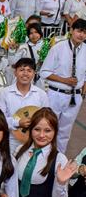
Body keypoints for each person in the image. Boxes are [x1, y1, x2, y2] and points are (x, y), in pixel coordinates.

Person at [40, 18, 86, 153]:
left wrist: (82, 94)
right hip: (56, 94)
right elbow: (44, 72)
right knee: (48, 127)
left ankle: (58, 161)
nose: (81, 35)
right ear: (71, 30)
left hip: (75, 97)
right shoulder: (58, 48)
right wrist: (64, 80)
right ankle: (44, 157)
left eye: (84, 32)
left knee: (65, 132)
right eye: (79, 31)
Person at [0, 58, 50, 153]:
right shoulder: (4, 93)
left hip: (34, 141)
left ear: (34, 74)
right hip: (10, 140)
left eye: (29, 71)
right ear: (15, 73)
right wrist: (18, 123)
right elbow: (0, 119)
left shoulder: (41, 95)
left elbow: (47, 119)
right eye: (21, 70)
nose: (25, 73)